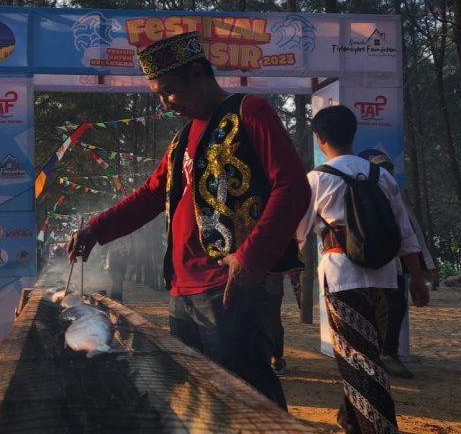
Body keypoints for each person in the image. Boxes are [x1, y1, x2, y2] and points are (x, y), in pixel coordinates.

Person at [68, 31, 308, 409]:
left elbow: (292, 187)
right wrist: (96, 230)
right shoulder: (182, 138)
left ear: (197, 74)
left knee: (247, 398)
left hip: (228, 286)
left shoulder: (249, 112)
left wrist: (251, 258)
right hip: (182, 291)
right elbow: (151, 194)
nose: (165, 103)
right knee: (200, 400)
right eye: (158, 95)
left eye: (169, 91)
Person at [296, 104, 429, 434]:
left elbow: (298, 233)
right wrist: (416, 278)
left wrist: (289, 267)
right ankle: (351, 420)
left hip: (342, 277)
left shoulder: (317, 178)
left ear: (320, 137)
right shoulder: (381, 176)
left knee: (359, 358)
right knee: (366, 354)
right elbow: (406, 233)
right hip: (384, 277)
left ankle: (379, 428)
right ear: (353, 135)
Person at [358, 149, 438, 379]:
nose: (386, 173)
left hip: (394, 261)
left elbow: (411, 229)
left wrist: (425, 263)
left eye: (388, 169)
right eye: (381, 169)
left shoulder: (396, 194)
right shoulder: (358, 192)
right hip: (362, 261)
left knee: (396, 305)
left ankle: (389, 353)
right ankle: (369, 355)